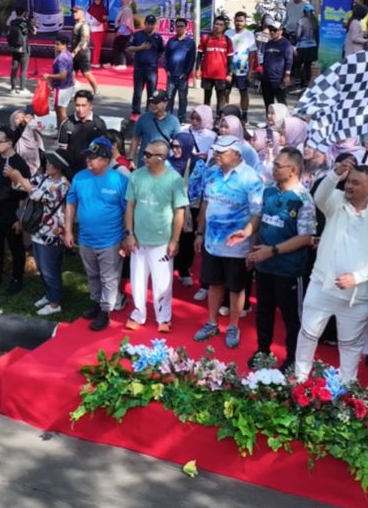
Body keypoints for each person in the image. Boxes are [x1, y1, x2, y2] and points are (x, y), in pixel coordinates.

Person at [292, 161, 368, 381]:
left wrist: (357, 277)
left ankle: (346, 389)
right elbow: (319, 197)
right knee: (308, 335)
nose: (349, 186)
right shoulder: (335, 200)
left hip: (357, 295)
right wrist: (335, 174)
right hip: (321, 285)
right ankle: (299, 379)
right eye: (348, 181)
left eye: (356, 183)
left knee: (350, 346)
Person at [193, 135, 265, 348]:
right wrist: (199, 232)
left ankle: (233, 326)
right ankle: (212, 322)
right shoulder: (213, 173)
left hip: (237, 247)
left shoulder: (251, 178)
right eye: (215, 151)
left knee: (236, 287)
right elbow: (206, 204)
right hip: (212, 243)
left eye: (221, 152)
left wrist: (250, 242)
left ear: (236, 154)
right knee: (214, 283)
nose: (215, 155)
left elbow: (257, 214)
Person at [247, 146, 314, 369]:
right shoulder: (269, 190)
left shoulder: (303, 199)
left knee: (291, 317)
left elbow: (305, 238)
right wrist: (249, 238)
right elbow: (259, 219)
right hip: (264, 265)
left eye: (277, 165)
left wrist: (272, 250)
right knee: (263, 311)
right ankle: (262, 351)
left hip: (289, 269)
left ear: (293, 170)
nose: (273, 169)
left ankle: (293, 359)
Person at [121, 140, 188, 333]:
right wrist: (129, 234)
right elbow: (130, 206)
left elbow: (179, 213)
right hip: (139, 239)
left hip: (162, 242)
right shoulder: (137, 176)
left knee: (162, 283)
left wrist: (174, 240)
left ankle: (164, 317)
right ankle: (138, 313)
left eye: (149, 155)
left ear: (161, 158)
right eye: (145, 153)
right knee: (137, 280)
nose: (144, 157)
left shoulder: (174, 180)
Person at [65, 142, 129, 332]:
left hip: (111, 240)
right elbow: (71, 204)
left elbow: (128, 211)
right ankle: (96, 302)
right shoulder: (79, 177)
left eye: (92, 158)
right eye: (88, 157)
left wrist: (127, 236)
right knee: (92, 274)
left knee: (109, 278)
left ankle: (105, 311)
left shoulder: (119, 180)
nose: (88, 161)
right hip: (86, 239)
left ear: (105, 160)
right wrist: (68, 230)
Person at [9, 152, 70, 317]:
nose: (46, 166)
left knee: (50, 270)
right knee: (42, 268)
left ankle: (54, 303)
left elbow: (37, 195)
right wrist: (16, 178)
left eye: (49, 164)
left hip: (52, 234)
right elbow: (25, 185)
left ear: (58, 168)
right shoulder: (44, 178)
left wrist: (20, 178)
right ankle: (49, 295)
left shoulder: (63, 185)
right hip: (37, 231)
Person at [0, 129, 31, 293]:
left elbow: (26, 195)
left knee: (16, 248)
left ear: (9, 143)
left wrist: (20, 218)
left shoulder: (19, 164)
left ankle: (17, 278)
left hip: (12, 214)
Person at [56, 91, 105, 174]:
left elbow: (103, 148)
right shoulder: (66, 124)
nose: (80, 109)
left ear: (91, 106)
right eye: (77, 105)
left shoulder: (99, 123)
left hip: (93, 171)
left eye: (83, 105)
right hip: (72, 171)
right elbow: (62, 151)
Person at [127, 14, 164, 115]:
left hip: (152, 69)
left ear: (155, 25)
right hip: (139, 68)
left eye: (153, 24)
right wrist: (140, 48)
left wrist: (153, 58)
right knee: (138, 91)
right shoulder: (137, 35)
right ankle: (136, 111)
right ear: (145, 24)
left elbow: (161, 51)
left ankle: (150, 111)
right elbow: (129, 48)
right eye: (148, 23)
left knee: (152, 92)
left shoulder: (158, 37)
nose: (150, 26)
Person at [131, 92, 180, 167]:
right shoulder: (143, 118)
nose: (152, 105)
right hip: (144, 163)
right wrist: (131, 158)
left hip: (163, 164)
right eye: (152, 102)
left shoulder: (173, 121)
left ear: (165, 103)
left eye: (156, 103)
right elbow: (135, 138)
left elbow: (178, 143)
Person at [162, 18, 196, 121]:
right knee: (169, 97)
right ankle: (168, 117)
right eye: (178, 26)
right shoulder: (171, 41)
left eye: (182, 26)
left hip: (182, 76)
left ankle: (181, 118)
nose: (179, 28)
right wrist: (167, 69)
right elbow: (166, 57)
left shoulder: (190, 42)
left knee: (182, 98)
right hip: (171, 75)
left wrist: (186, 73)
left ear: (186, 27)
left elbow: (191, 59)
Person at [256, 20, 294, 110]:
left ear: (281, 31)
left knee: (282, 103)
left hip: (278, 79)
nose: (272, 32)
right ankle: (269, 122)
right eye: (271, 29)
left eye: (275, 30)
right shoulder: (268, 43)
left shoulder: (286, 44)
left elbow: (289, 60)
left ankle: (285, 122)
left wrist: (287, 75)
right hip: (266, 79)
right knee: (268, 104)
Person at [197, 16, 232, 110]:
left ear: (224, 27)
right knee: (206, 99)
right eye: (216, 24)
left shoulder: (227, 40)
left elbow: (230, 58)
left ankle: (219, 119)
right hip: (207, 74)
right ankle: (206, 119)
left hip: (221, 75)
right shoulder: (205, 38)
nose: (218, 26)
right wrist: (197, 69)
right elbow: (199, 55)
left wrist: (229, 73)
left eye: (221, 25)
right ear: (213, 25)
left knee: (221, 99)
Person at [46, 35, 77, 125]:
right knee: (60, 110)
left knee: (60, 111)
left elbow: (62, 75)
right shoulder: (68, 54)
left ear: (64, 45)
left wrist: (49, 76)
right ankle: (60, 131)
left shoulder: (61, 58)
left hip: (61, 88)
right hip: (68, 86)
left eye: (57, 44)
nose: (55, 46)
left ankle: (64, 132)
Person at [6, 8, 31, 93]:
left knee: (14, 68)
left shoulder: (12, 22)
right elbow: (34, 32)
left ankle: (13, 88)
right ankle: (22, 89)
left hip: (14, 48)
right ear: (24, 13)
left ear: (16, 13)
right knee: (23, 69)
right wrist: (33, 24)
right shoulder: (26, 23)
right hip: (24, 49)